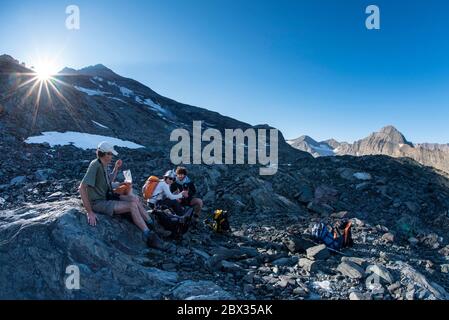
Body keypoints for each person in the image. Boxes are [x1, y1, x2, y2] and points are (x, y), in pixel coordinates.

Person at [78, 141, 166, 250]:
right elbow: (82, 187)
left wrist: (116, 170)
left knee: (135, 199)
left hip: (107, 196)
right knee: (131, 206)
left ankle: (151, 224)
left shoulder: (103, 165)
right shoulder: (95, 165)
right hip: (98, 202)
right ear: (104, 154)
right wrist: (89, 211)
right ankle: (148, 234)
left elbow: (108, 181)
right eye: (110, 154)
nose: (112, 157)